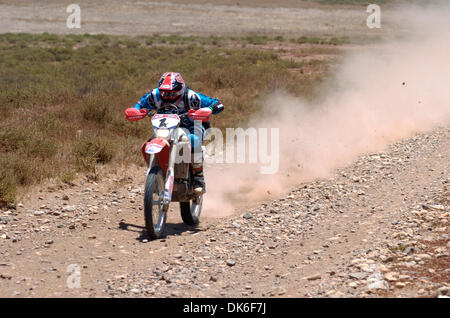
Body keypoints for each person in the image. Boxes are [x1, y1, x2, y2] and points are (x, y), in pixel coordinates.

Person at [131, 72, 224, 194]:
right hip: (166, 127)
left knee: (193, 140)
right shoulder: (155, 95)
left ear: (180, 90)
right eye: (164, 92)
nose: (168, 96)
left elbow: (218, 104)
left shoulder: (191, 97)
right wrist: (135, 111)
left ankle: (198, 177)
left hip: (191, 126)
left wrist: (209, 109)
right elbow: (139, 105)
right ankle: (156, 171)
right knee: (152, 140)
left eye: (172, 93)